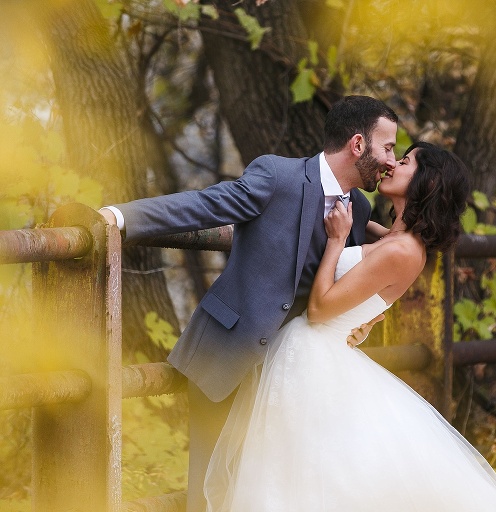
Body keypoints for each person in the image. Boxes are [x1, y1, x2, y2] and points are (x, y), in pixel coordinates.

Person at [99, 95, 399, 512]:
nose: (392, 160)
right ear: (358, 144)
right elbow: (206, 205)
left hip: (289, 374)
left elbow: (352, 276)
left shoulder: (359, 206)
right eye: (388, 147)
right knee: (207, 490)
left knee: (263, 490)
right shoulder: (278, 176)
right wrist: (120, 217)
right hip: (228, 349)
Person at [203, 142, 496, 511]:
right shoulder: (393, 238)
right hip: (311, 356)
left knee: (293, 481)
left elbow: (321, 309)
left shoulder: (403, 250)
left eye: (404, 161)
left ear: (427, 183)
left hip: (312, 357)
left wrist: (338, 241)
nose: (392, 164)